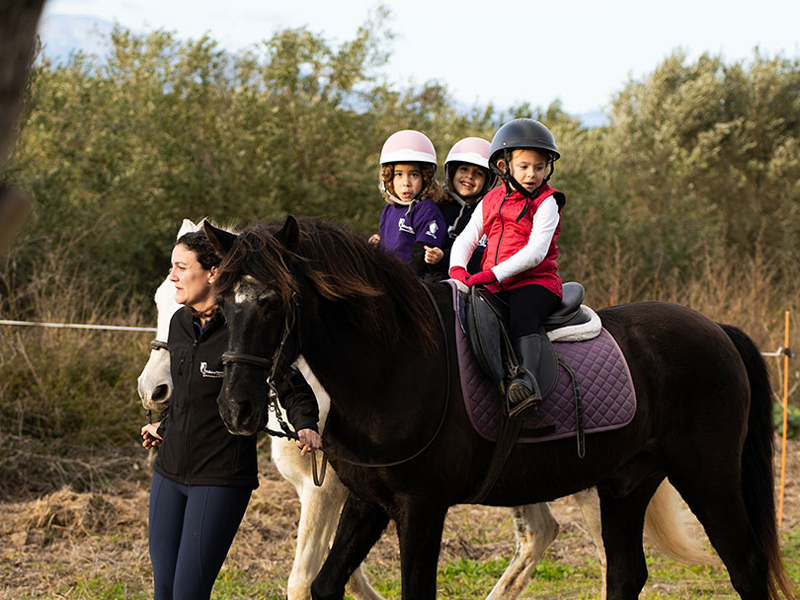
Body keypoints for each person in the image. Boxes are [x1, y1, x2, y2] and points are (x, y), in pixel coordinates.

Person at [140, 231, 321, 600]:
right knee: (164, 593)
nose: (172, 277)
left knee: (188, 594)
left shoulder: (243, 327)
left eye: (181, 267)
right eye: (172, 267)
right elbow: (186, 394)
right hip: (168, 474)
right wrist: (164, 425)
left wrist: (306, 424)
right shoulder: (178, 324)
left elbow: (291, 383)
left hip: (220, 478)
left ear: (212, 273)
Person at [449, 119, 566, 416]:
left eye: (539, 167)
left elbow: (536, 252)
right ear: (504, 166)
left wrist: (490, 274)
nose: (532, 174)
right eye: (524, 166)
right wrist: (457, 270)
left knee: (522, 315)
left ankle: (526, 382)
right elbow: (467, 238)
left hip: (535, 282)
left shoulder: (547, 202)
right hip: (494, 284)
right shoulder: (490, 200)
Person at [368, 129, 447, 278]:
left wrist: (397, 280)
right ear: (389, 179)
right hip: (388, 277)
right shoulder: (389, 209)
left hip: (412, 281)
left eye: (414, 175)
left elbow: (420, 258)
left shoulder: (427, 211)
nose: (406, 183)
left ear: (425, 178)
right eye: (399, 174)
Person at [422, 137, 495, 280]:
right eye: (464, 169)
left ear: (487, 182)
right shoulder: (435, 205)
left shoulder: (486, 213)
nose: (469, 176)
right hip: (428, 278)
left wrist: (444, 257)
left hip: (466, 283)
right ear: (452, 172)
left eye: (478, 173)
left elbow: (480, 257)